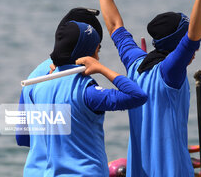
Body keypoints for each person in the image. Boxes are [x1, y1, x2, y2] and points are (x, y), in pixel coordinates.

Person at [93, 0, 201, 176]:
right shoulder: (170, 72)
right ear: (178, 45)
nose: (195, 50)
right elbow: (193, 37)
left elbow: (114, 26)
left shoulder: (135, 63)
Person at [17, 13, 147, 176]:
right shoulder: (87, 91)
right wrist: (102, 69)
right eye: (97, 50)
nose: (98, 57)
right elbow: (138, 96)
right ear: (86, 55)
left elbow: (21, 138)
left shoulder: (37, 86)